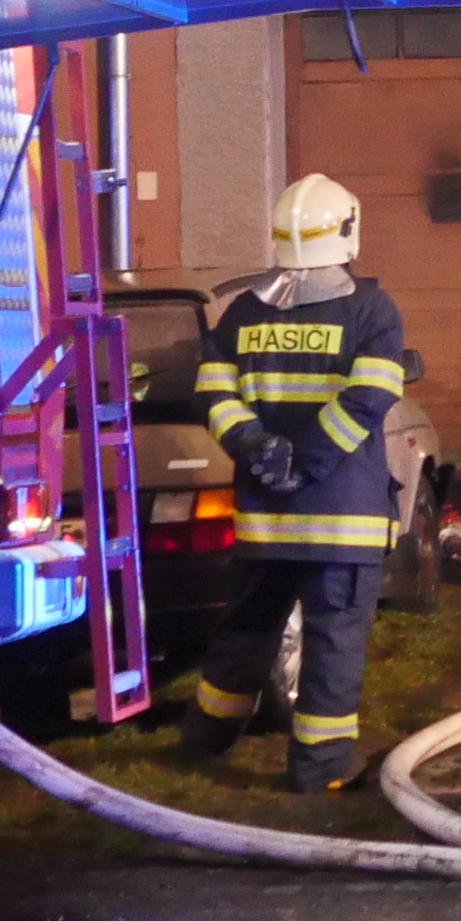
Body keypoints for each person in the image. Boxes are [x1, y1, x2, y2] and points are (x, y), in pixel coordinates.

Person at [175, 175, 411, 791]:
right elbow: (370, 398)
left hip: (265, 518)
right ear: (348, 231)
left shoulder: (244, 313)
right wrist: (307, 461)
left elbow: (213, 395)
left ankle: (203, 743)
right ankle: (320, 770)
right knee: (333, 643)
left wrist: (255, 447)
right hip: (341, 519)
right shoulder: (371, 310)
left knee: (245, 632)